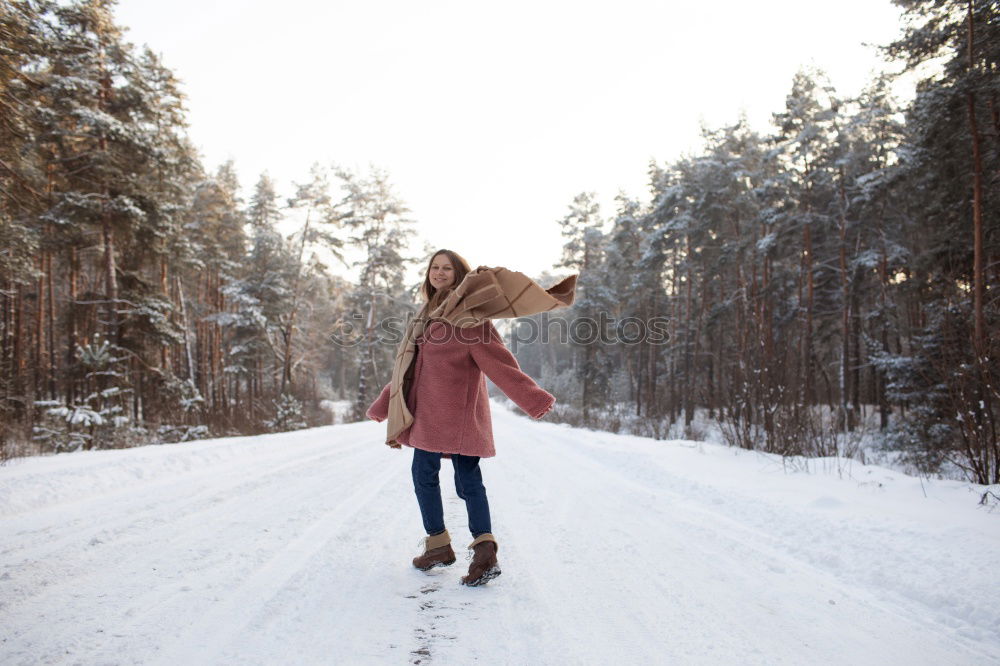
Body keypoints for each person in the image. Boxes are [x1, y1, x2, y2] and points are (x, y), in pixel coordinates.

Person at [366, 249, 562, 587]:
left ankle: (480, 552)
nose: (439, 273)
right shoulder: (426, 316)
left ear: (459, 275)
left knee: (466, 481)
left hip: (458, 415)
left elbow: (500, 363)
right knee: (425, 475)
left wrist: (533, 399)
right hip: (426, 416)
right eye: (434, 268)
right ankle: (442, 546)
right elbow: (407, 370)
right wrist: (384, 404)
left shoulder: (470, 319)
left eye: (447, 269)